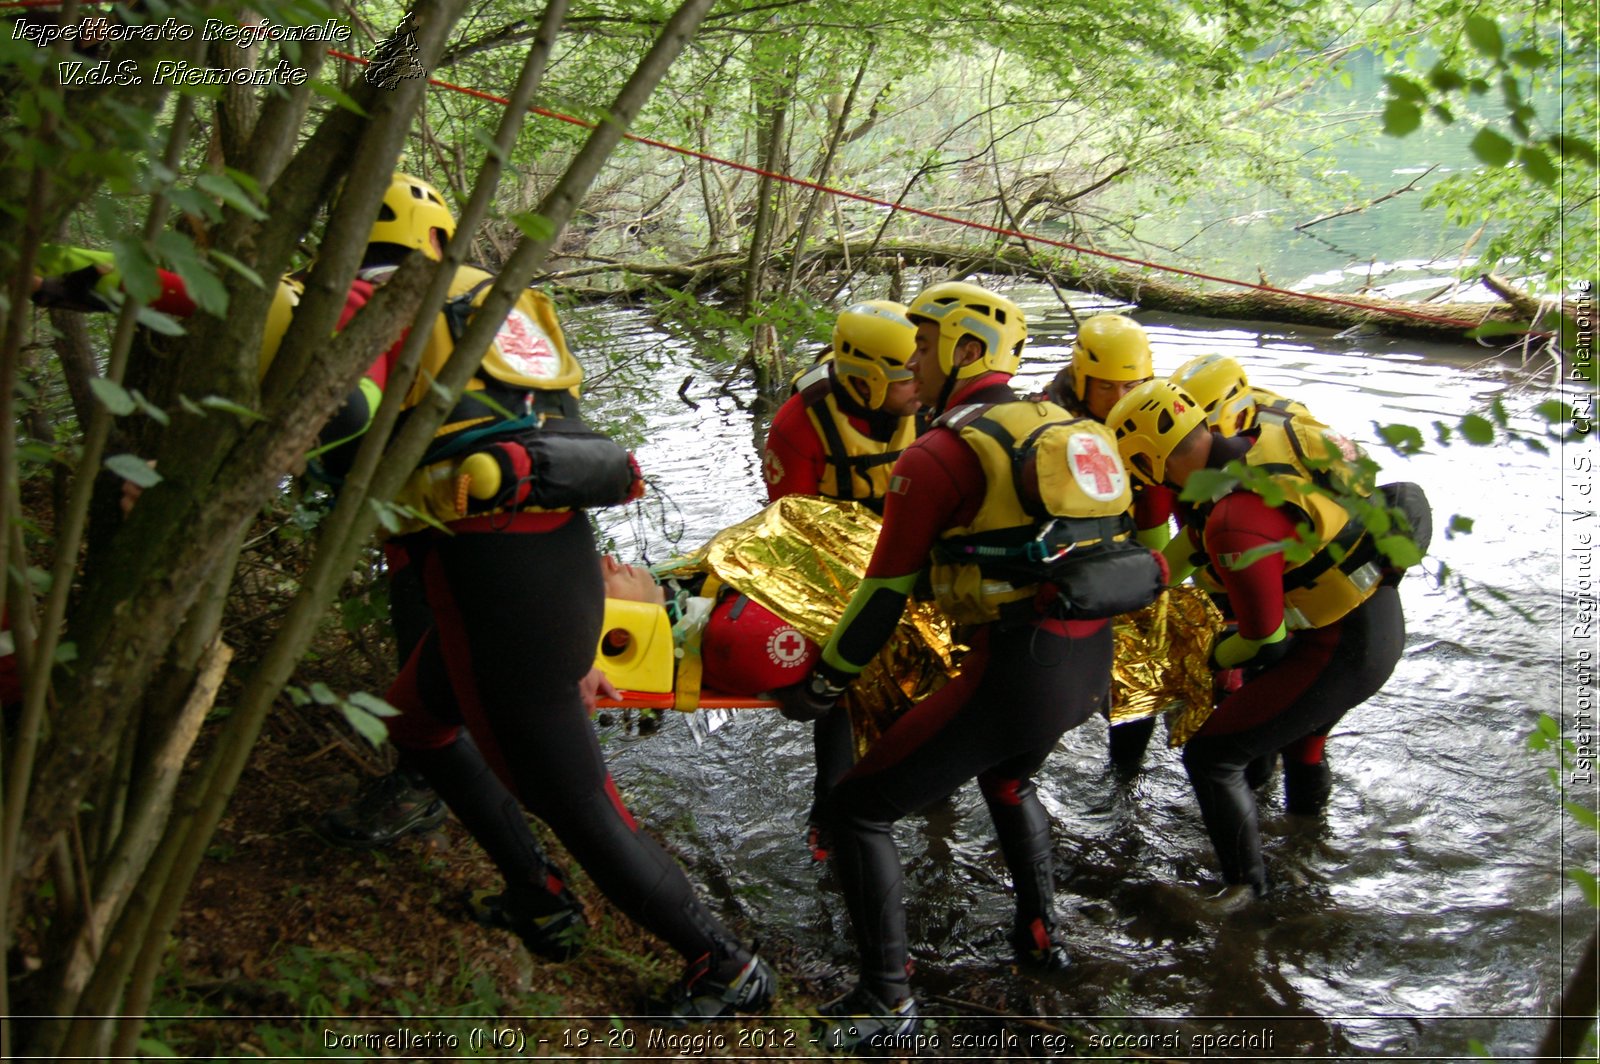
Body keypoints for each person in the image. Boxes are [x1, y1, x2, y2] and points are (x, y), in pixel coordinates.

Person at [334, 174, 776, 1017]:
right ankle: (539, 894)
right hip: (536, 576)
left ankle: (725, 965)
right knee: (416, 721)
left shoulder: (391, 311)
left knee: (580, 804)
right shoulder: (497, 314)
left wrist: (557, 645)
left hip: (504, 594)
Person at [773, 281, 1162, 1050]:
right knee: (1009, 780)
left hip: (1018, 671)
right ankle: (1041, 936)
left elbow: (883, 593)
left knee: (859, 810)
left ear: (965, 351)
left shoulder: (941, 451)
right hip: (1090, 664)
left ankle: (886, 1002)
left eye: (922, 345)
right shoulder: (1070, 426)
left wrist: (825, 683)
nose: (912, 364)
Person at [1106, 378, 1409, 904]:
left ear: (1149, 459)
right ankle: (1305, 849)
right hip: (1370, 614)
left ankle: (1246, 894)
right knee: (1301, 739)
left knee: (1211, 756)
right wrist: (1140, 587)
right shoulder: (1254, 441)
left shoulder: (1233, 520)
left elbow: (1265, 642)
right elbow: (1197, 545)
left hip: (1343, 646)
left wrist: (1204, 656)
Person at [762, 300, 920, 860]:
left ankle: (922, 782)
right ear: (871, 379)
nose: (923, 379)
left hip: (910, 551)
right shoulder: (799, 424)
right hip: (831, 560)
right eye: (910, 373)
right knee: (843, 671)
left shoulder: (926, 404)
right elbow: (792, 528)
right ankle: (829, 801)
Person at [1038, 312, 1173, 770]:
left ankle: (1125, 779)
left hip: (1126, 560)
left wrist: (1154, 586)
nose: (1119, 401)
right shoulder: (1046, 422)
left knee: (1136, 691)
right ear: (1081, 379)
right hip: (1063, 565)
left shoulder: (1155, 420)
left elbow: (1156, 519)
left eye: (1130, 388)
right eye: (1106, 388)